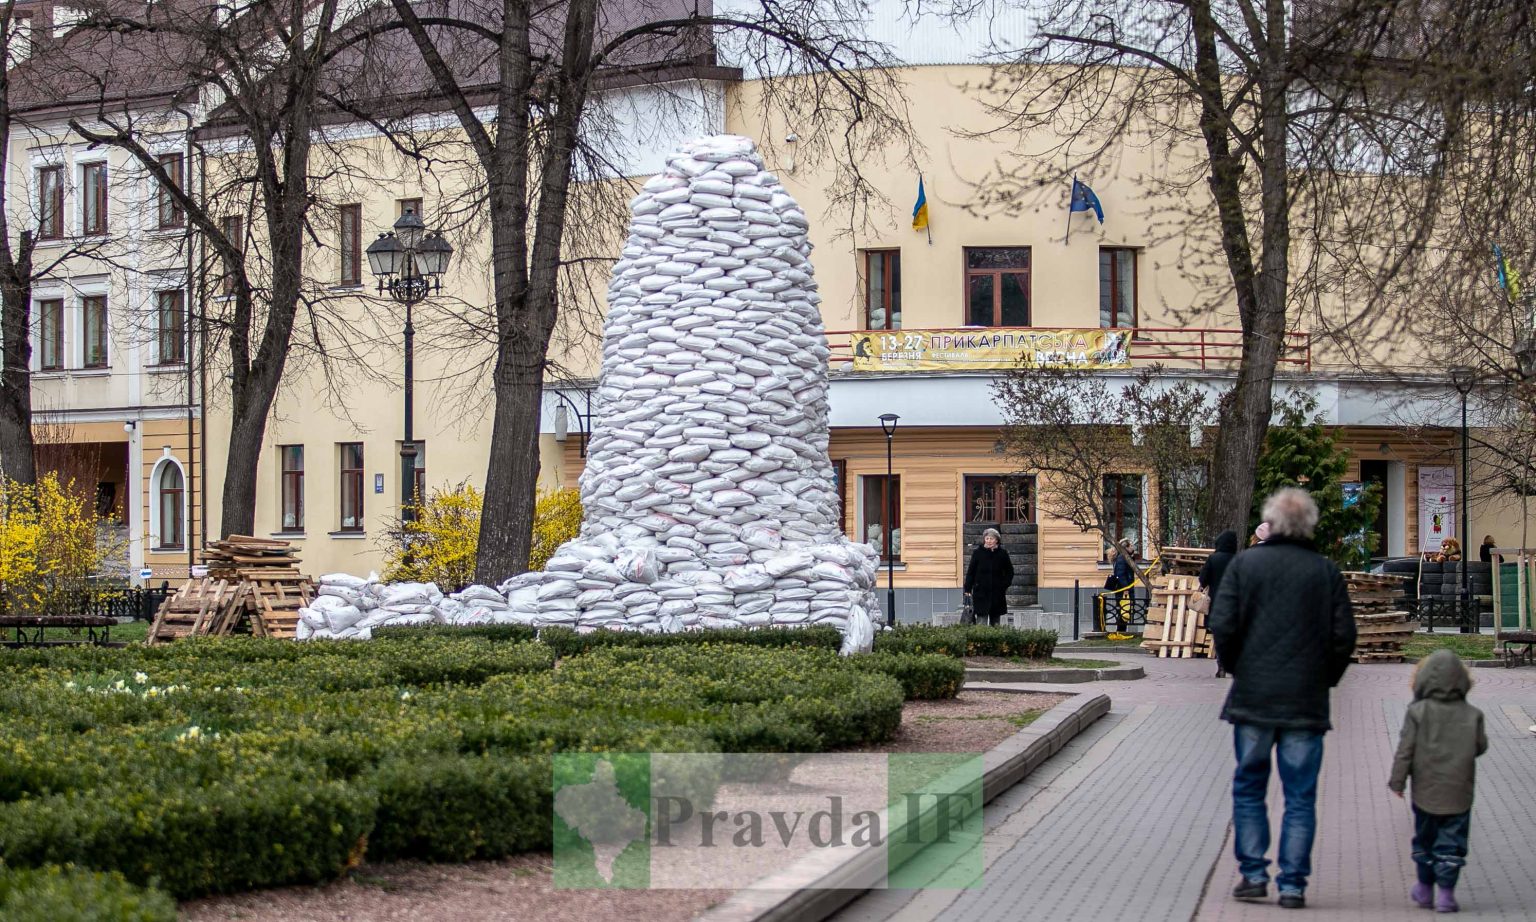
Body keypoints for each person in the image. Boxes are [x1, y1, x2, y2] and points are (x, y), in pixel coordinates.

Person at [1208, 488, 1357, 910]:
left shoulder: (1245, 565)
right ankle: (1293, 884)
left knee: (1249, 786)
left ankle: (1253, 874)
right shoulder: (1324, 572)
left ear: (1270, 522)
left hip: (1254, 697)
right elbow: (1344, 636)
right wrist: (1324, 677)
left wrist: (1239, 668)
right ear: (1309, 524)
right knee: (1300, 795)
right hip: (1305, 701)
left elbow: (1223, 624)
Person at [1389, 650, 1488, 914]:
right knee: (1452, 844)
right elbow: (1480, 747)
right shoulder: (1473, 714)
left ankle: (1424, 888)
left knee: (1425, 840)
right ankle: (1446, 895)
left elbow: (1405, 750)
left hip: (1425, 791)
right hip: (1460, 793)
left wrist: (1397, 781)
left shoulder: (1417, 712)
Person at [1199, 530, 1240, 678]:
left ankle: (1221, 664)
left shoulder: (1213, 559)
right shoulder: (1238, 559)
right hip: (1234, 602)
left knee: (1217, 634)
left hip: (1216, 601)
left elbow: (1203, 579)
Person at [964, 528, 1014, 627]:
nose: (989, 541)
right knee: (981, 621)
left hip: (997, 593)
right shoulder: (978, 553)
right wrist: (968, 588)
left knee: (995, 621)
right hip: (981, 592)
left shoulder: (1002, 554)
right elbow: (971, 572)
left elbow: (1010, 572)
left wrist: (1003, 585)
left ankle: (995, 641)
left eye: (991, 538)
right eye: (987, 538)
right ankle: (980, 642)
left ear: (997, 540)